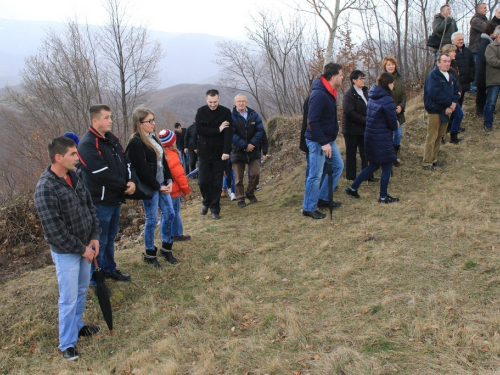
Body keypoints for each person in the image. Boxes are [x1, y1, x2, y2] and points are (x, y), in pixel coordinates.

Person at [34, 136, 101, 360]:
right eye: (73, 154)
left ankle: (77, 326)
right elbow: (54, 231)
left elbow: (89, 205)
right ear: (58, 157)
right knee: (68, 298)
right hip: (67, 253)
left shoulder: (74, 176)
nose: (77, 157)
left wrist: (94, 237)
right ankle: (67, 344)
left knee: (81, 291)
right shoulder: (45, 188)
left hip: (85, 247)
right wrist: (82, 249)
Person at [78, 104, 134, 290]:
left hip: (115, 198)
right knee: (98, 242)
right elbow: (101, 173)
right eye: (107, 117)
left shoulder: (112, 139)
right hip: (99, 202)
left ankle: (110, 269)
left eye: (111, 117)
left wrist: (131, 181)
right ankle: (96, 279)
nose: (111, 120)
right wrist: (124, 185)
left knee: (110, 239)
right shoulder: (87, 144)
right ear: (95, 121)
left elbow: (125, 162)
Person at [127, 108, 176, 268]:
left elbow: (163, 161)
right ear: (140, 124)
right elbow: (141, 169)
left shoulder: (153, 137)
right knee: (152, 220)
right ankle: (149, 253)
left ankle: (166, 248)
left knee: (169, 214)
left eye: (153, 119)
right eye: (149, 121)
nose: (153, 123)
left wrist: (168, 180)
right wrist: (157, 187)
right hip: (150, 187)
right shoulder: (136, 142)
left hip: (162, 184)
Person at [344, 73, 399, 203]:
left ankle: (353, 188)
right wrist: (395, 123)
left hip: (371, 136)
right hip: (382, 137)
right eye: (392, 83)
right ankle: (383, 196)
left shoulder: (373, 95)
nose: (393, 85)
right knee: (387, 167)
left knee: (373, 165)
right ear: (387, 84)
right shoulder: (386, 99)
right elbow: (392, 122)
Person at [302, 63, 344, 219]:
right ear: (333, 77)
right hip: (318, 141)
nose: (342, 77)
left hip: (327, 139)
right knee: (315, 174)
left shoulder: (330, 91)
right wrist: (324, 142)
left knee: (338, 165)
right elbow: (312, 121)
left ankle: (323, 198)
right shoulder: (319, 94)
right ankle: (308, 207)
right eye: (340, 75)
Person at [195, 89, 233, 220]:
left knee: (217, 183)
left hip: (219, 153)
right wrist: (218, 130)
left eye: (215, 102)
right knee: (202, 181)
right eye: (210, 102)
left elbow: (228, 134)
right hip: (204, 153)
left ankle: (215, 208)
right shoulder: (201, 111)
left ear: (219, 99)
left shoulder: (225, 112)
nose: (212, 104)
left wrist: (226, 151)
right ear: (206, 100)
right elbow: (199, 130)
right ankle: (206, 202)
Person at [422, 54, 460, 170]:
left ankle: (434, 159)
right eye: (444, 61)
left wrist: (453, 104)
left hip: (446, 111)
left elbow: (457, 91)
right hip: (435, 110)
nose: (447, 64)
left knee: (440, 136)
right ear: (438, 63)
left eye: (448, 61)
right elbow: (435, 93)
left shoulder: (450, 76)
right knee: (432, 136)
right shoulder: (433, 76)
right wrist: (449, 104)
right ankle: (427, 162)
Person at [231, 94, 265, 208]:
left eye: (243, 101)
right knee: (238, 178)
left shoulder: (253, 114)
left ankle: (250, 193)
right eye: (239, 101)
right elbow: (232, 134)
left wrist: (252, 144)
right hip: (237, 151)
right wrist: (244, 145)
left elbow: (260, 130)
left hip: (253, 150)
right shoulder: (231, 116)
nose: (241, 103)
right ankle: (240, 199)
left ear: (247, 102)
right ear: (235, 103)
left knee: (256, 173)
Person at [158, 129, 192, 242]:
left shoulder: (160, 153)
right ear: (172, 141)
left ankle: (167, 234)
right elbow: (179, 175)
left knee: (166, 212)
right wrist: (186, 189)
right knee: (175, 211)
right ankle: (176, 233)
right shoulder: (171, 155)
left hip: (165, 189)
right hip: (174, 189)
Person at [342, 70, 372, 181]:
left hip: (363, 129)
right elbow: (349, 113)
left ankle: (367, 175)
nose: (363, 80)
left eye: (364, 78)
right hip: (351, 129)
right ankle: (351, 177)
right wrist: (366, 120)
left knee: (366, 152)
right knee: (351, 153)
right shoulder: (348, 95)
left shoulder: (365, 92)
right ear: (354, 80)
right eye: (361, 78)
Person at [382, 56, 406, 166]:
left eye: (392, 64)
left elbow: (404, 95)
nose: (391, 66)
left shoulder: (400, 78)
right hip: (388, 113)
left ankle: (394, 156)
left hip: (399, 113)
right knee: (389, 136)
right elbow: (382, 97)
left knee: (398, 134)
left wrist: (401, 106)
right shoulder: (382, 79)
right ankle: (388, 157)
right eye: (388, 65)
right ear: (385, 67)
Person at [440, 44, 464, 144]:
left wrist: (459, 91)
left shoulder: (454, 64)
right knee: (442, 118)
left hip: (454, 96)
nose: (455, 53)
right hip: (445, 97)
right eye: (453, 51)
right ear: (447, 53)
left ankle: (453, 136)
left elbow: (456, 81)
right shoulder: (442, 67)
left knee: (459, 115)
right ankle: (440, 138)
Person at [475, 22, 497, 116]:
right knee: (481, 91)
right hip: (482, 70)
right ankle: (480, 110)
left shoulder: (488, 41)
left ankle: (484, 109)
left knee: (484, 91)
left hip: (486, 70)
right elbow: (485, 57)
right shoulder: (484, 41)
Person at [484, 25, 500, 132]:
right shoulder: (491, 47)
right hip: (494, 80)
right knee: (491, 103)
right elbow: (492, 61)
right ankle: (488, 124)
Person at [452, 32, 475, 102]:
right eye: (459, 40)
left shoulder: (467, 51)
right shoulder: (451, 52)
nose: (461, 41)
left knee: (460, 101)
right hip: (455, 83)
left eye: (462, 39)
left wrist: (471, 77)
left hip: (465, 82)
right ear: (453, 41)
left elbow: (472, 65)